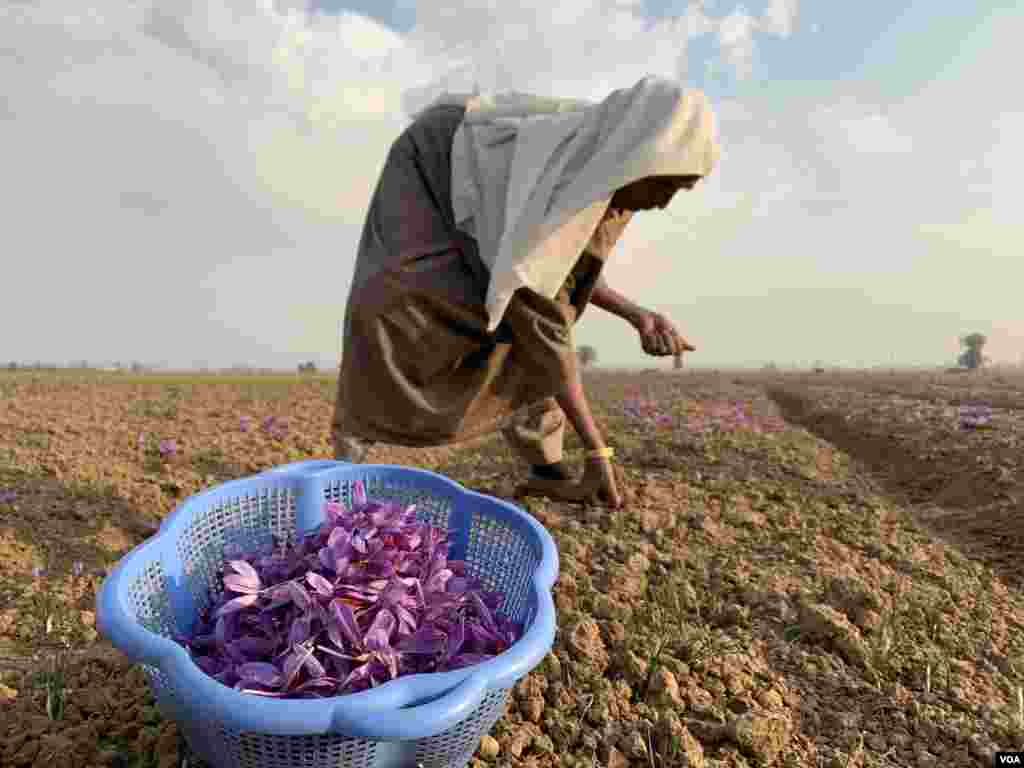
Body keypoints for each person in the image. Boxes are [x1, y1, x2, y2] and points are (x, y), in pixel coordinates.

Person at [331, 76, 720, 509]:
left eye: (680, 190)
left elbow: (567, 275)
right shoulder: (565, 179)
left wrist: (637, 315)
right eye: (667, 184)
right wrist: (597, 449)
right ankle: (354, 459)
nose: (665, 202)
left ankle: (546, 470)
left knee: (515, 323)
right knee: (400, 302)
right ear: (639, 158)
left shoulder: (614, 182)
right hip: (434, 163)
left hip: (474, 188)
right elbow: (544, 315)